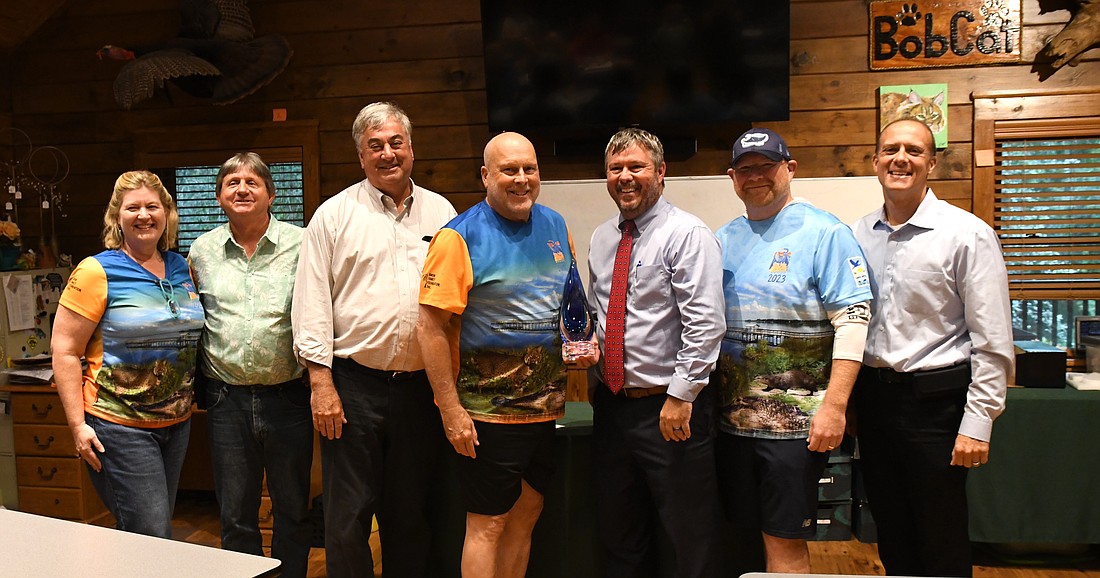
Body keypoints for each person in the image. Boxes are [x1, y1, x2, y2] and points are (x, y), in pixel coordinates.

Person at [417, 132, 597, 578]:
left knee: (528, 511)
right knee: (488, 524)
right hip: (486, 415)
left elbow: (569, 303)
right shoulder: (458, 237)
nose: (521, 179)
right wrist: (449, 409)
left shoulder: (556, 225)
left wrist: (583, 343)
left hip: (547, 411)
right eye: (508, 170)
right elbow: (430, 327)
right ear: (485, 176)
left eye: (529, 169)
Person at [292, 102, 457, 578]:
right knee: (347, 518)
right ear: (361, 157)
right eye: (375, 146)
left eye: (395, 143)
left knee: (410, 516)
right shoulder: (333, 215)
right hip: (353, 387)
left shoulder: (442, 212)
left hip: (420, 390)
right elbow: (311, 304)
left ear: (411, 147)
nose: (388, 154)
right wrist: (321, 385)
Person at [852, 119, 1014, 577]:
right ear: (875, 160)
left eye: (914, 150)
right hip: (875, 401)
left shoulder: (967, 234)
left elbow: (993, 339)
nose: (900, 158)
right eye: (890, 149)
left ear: (932, 163)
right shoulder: (857, 234)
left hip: (937, 405)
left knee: (939, 535)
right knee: (891, 529)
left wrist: (979, 422)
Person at [714, 128, 872, 572]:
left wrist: (835, 406)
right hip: (731, 425)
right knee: (739, 540)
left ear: (790, 168)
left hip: (794, 433)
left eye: (766, 165)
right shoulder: (722, 239)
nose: (756, 176)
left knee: (783, 543)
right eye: (745, 168)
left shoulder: (826, 233)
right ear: (732, 177)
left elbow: (853, 321)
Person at [587, 127, 725, 578]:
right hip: (611, 408)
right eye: (616, 168)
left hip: (669, 411)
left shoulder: (687, 234)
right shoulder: (602, 237)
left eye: (636, 167)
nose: (625, 176)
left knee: (688, 539)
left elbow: (705, 324)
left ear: (661, 173)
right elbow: (599, 313)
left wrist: (681, 397)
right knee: (619, 535)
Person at [51, 170, 205, 537]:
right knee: (153, 535)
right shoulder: (96, 271)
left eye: (153, 206)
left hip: (176, 424)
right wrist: (77, 426)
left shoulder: (181, 268)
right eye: (132, 207)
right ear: (117, 217)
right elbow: (65, 350)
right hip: (118, 425)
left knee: (146, 536)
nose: (144, 215)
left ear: (166, 213)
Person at [188, 152, 312, 577]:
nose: (241, 189)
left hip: (290, 397)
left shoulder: (302, 244)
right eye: (231, 183)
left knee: (292, 507)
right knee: (235, 512)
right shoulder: (201, 250)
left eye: (252, 182)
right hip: (226, 400)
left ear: (271, 193)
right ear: (219, 196)